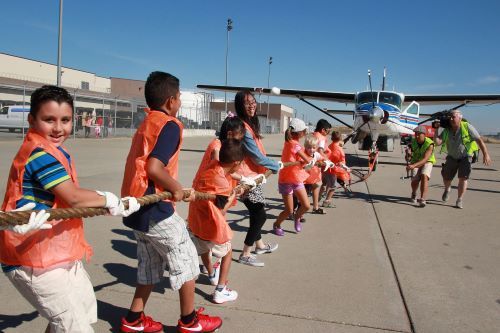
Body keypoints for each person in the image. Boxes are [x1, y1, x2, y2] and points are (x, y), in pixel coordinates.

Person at [0, 85, 139, 333]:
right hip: (29, 259)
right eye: (48, 120)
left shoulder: (55, 151)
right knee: (74, 327)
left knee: (80, 316)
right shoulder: (39, 154)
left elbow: (68, 202)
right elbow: (73, 198)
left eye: (65, 120)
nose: (58, 128)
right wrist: (106, 198)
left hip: (54, 253)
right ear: (32, 120)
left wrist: (107, 205)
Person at [120, 71, 221, 333]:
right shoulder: (169, 125)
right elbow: (154, 167)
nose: (180, 103)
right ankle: (189, 322)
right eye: (178, 98)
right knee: (187, 258)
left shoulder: (147, 122)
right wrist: (176, 188)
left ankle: (133, 320)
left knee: (150, 266)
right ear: (170, 101)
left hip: (136, 208)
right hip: (155, 209)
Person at [188, 139, 244, 304]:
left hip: (197, 222)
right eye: (240, 164)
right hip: (210, 226)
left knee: (205, 248)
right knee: (228, 252)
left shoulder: (211, 166)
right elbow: (222, 209)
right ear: (236, 163)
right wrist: (234, 194)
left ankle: (212, 274)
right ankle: (220, 290)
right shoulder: (222, 183)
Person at [234, 90, 280, 267]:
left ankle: (259, 245)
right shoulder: (242, 128)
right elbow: (256, 156)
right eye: (247, 103)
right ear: (240, 106)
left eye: (253, 101)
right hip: (245, 178)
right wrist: (274, 165)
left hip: (253, 175)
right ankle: (246, 253)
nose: (252, 105)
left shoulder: (249, 124)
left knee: (256, 212)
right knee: (260, 215)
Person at [434, 109, 492, 209]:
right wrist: (436, 129)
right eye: (450, 117)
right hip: (452, 156)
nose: (451, 119)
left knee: (463, 178)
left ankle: (459, 199)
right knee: (446, 177)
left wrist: (486, 154)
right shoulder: (447, 129)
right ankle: (447, 189)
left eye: (453, 117)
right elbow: (438, 142)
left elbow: (479, 140)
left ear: (460, 117)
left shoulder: (467, 126)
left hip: (466, 156)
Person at [272, 118, 312, 236]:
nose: (305, 133)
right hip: (286, 180)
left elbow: (301, 159)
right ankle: (277, 224)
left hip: (296, 178)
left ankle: (297, 217)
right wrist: (315, 158)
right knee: (289, 210)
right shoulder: (294, 144)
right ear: (299, 132)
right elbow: (307, 160)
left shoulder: (290, 142)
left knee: (306, 205)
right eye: (304, 131)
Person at [406, 125, 436, 207]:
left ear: (424, 134)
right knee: (415, 180)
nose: (417, 136)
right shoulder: (413, 141)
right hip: (415, 160)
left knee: (424, 175)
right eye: (416, 134)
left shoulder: (430, 144)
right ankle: (414, 193)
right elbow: (409, 156)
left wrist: (413, 166)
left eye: (419, 134)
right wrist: (408, 154)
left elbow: (425, 159)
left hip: (427, 161)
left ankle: (423, 199)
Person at [303, 134, 332, 214]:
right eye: (309, 147)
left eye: (314, 148)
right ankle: (300, 208)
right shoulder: (303, 154)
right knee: (303, 193)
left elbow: (322, 158)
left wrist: (327, 162)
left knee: (316, 187)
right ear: (305, 146)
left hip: (314, 175)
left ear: (316, 148)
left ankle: (315, 207)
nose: (311, 150)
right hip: (304, 176)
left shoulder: (316, 154)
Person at [323, 131, 351, 208]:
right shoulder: (340, 149)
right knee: (333, 186)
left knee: (326, 183)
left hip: (326, 168)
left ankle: (319, 198)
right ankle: (327, 201)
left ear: (332, 138)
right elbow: (342, 161)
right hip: (333, 169)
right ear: (340, 138)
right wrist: (346, 168)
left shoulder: (330, 146)